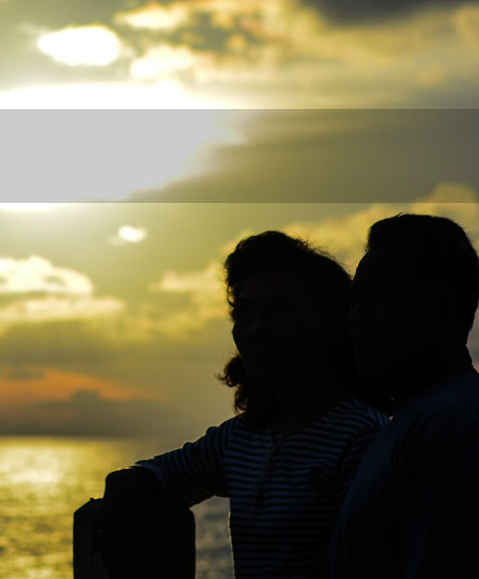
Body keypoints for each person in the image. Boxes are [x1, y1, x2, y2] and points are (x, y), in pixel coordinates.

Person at [98, 231, 388, 579]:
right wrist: (127, 484)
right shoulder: (241, 439)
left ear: (333, 325)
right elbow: (165, 475)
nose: (258, 329)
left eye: (280, 310)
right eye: (245, 313)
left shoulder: (363, 440)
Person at [326, 214, 479, 579]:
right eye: (355, 301)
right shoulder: (427, 417)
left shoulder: (451, 426)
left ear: (440, 308)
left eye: (379, 299)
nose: (356, 319)